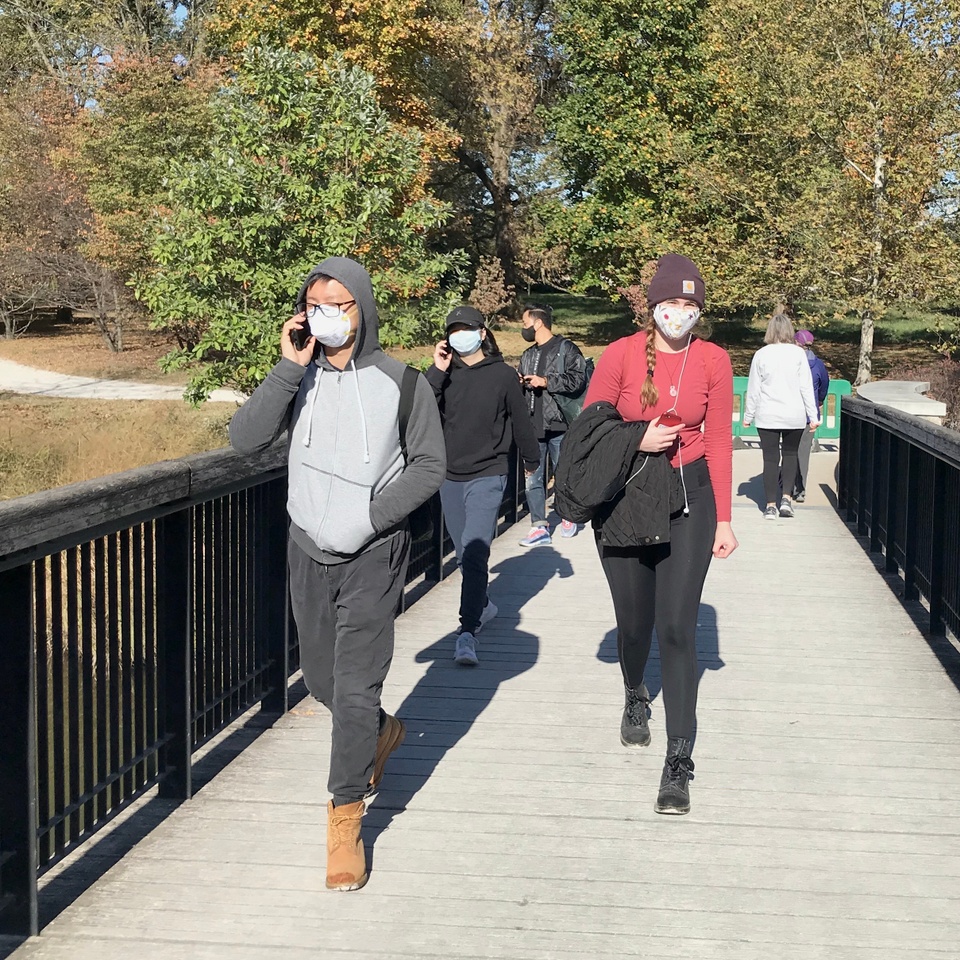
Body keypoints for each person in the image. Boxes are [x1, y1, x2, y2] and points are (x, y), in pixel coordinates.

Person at [229, 256, 445, 892]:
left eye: (340, 303)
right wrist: (287, 368)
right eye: (316, 303)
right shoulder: (299, 379)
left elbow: (429, 467)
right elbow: (245, 439)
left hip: (373, 556)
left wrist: (369, 518)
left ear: (364, 309)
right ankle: (381, 733)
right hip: (306, 550)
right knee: (323, 682)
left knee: (353, 691)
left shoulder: (404, 383)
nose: (327, 314)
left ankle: (345, 818)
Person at [584, 253, 738, 815]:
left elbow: (719, 438)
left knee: (676, 627)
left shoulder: (714, 360)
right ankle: (633, 692)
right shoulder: (622, 354)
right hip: (627, 495)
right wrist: (637, 439)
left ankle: (678, 760)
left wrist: (724, 518)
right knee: (634, 625)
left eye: (690, 305)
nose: (680, 313)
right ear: (653, 306)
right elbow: (591, 425)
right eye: (671, 303)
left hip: (690, 496)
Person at [426, 305, 540, 666]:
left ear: (482, 332)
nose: (460, 335)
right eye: (453, 330)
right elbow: (420, 413)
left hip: (489, 473)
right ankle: (484, 605)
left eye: (467, 328)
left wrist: (532, 462)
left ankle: (466, 632)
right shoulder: (445, 376)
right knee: (463, 554)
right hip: (449, 475)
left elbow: (521, 420)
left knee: (475, 553)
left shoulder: (503, 376)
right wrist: (436, 370)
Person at [516, 302, 589, 546]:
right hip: (533, 425)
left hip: (560, 424)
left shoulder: (566, 349)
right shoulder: (528, 355)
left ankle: (568, 515)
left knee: (564, 471)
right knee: (533, 478)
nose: (523, 329)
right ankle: (539, 526)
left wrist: (546, 381)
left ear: (538, 323)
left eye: (525, 323)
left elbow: (578, 380)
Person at [742, 314, 820, 519]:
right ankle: (786, 499)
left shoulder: (761, 354)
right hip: (793, 415)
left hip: (767, 415)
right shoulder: (798, 354)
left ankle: (770, 505)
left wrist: (748, 415)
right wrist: (813, 416)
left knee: (769, 459)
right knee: (790, 456)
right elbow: (806, 387)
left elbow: (754, 389)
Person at [791, 329, 830, 502]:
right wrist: (819, 401)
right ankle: (801, 489)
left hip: (790, 412)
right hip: (809, 414)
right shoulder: (819, 365)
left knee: (788, 450)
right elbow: (824, 385)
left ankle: (787, 485)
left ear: (795, 343)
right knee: (803, 452)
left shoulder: (790, 363)